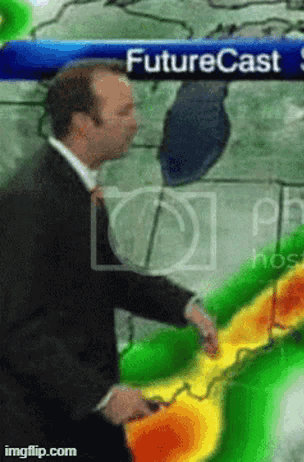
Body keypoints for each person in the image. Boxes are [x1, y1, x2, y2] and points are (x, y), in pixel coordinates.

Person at [0, 59, 218, 461]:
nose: (135, 123)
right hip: (44, 433)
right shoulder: (32, 198)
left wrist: (185, 306)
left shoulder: (72, 184)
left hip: (81, 424)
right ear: (83, 123)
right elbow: (17, 330)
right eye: (123, 112)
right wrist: (101, 398)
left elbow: (105, 275)